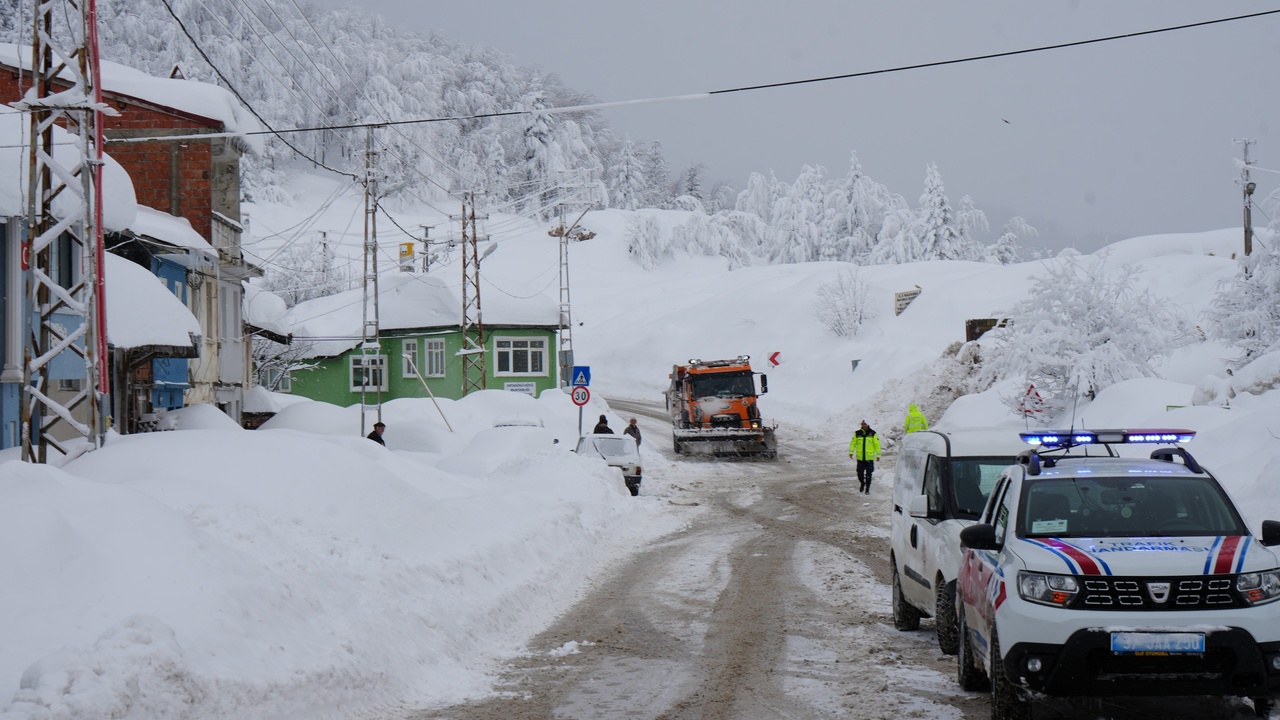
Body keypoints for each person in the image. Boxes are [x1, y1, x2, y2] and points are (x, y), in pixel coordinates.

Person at [849, 420, 881, 495]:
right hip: (860, 458)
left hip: (869, 458)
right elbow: (853, 443)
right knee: (859, 473)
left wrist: (878, 455)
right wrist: (851, 452)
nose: (863, 425)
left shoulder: (872, 433)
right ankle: (862, 483)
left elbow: (877, 444)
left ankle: (867, 489)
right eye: (862, 424)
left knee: (869, 474)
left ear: (868, 424)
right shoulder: (857, 433)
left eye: (865, 424)